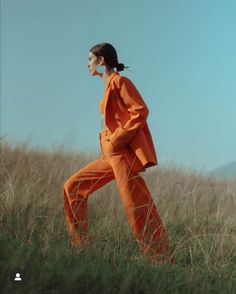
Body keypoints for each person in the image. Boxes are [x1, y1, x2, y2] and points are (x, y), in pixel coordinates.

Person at [63, 43, 173, 264]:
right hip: (108, 156)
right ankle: (80, 247)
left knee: (137, 206)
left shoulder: (121, 82)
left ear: (101, 60)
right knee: (72, 187)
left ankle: (160, 259)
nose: (87, 64)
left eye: (90, 59)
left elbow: (140, 111)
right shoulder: (107, 84)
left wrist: (117, 138)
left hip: (120, 154)